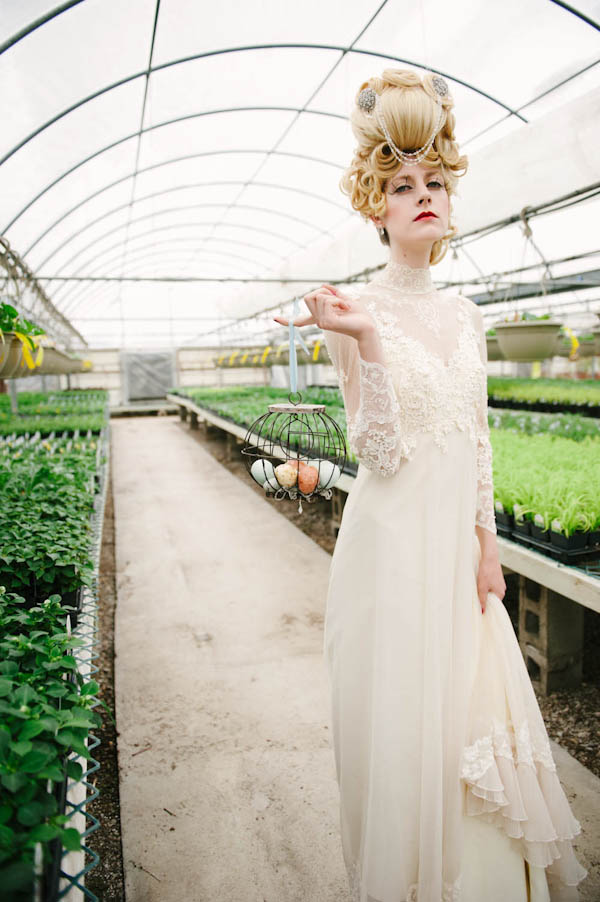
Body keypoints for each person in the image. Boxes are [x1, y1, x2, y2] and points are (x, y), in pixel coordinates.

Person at [274, 68, 587, 902]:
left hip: (455, 551)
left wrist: (488, 547)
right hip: (389, 551)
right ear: (378, 206)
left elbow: (478, 439)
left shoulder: (466, 315)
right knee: (406, 722)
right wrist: (368, 341)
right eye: (402, 185)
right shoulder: (352, 310)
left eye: (434, 183)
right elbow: (376, 451)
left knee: (472, 714)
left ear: (450, 201)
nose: (422, 195)